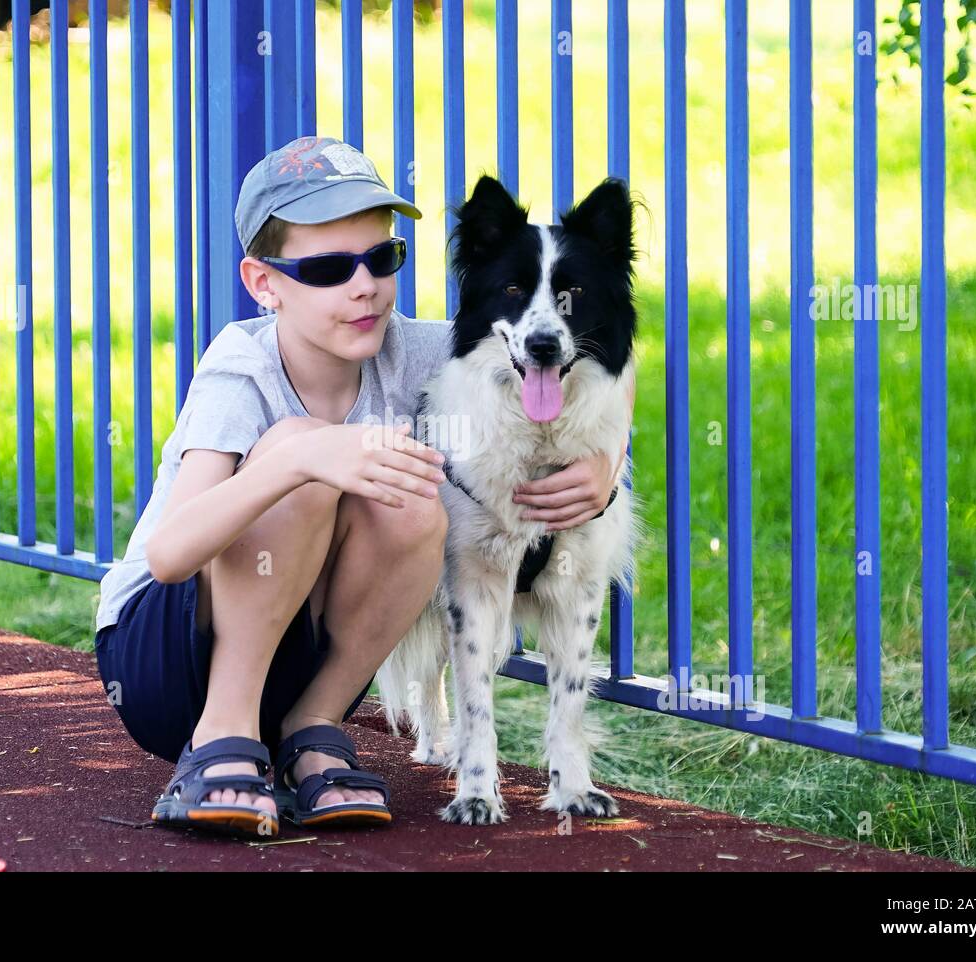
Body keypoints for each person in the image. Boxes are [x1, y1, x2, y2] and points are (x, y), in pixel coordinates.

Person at [92, 135, 619, 839]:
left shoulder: (421, 353)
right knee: (303, 452)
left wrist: (606, 462)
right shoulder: (239, 370)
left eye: (381, 258)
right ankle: (219, 738)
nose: (363, 285)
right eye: (330, 268)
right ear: (263, 283)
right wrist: (298, 461)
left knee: (411, 506)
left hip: (297, 654)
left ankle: (311, 730)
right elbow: (168, 557)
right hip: (163, 659)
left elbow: (584, 355)